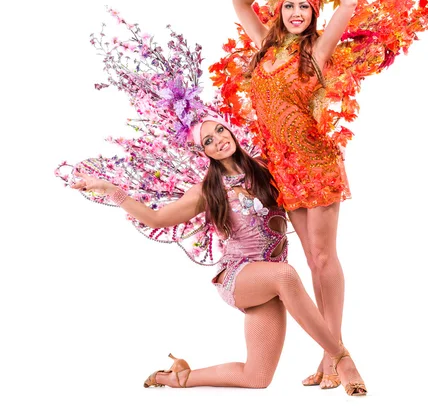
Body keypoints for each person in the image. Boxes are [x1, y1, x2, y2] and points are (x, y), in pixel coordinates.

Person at [71, 117, 365, 393]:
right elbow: (156, 219)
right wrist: (111, 190)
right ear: (205, 152)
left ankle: (178, 378)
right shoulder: (206, 192)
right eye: (209, 141)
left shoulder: (266, 170)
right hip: (239, 278)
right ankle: (341, 357)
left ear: (231, 130)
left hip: (271, 282)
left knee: (257, 377)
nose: (219, 141)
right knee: (286, 275)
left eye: (221, 131)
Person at [232, 0, 367, 392]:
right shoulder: (263, 48)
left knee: (325, 258)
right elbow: (238, 2)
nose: (294, 12)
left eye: (303, 7)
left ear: (312, 15)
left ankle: (335, 356)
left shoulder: (316, 50)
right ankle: (332, 354)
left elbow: (348, 5)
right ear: (279, 10)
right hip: (283, 168)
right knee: (311, 259)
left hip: (317, 162)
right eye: (288, 5)